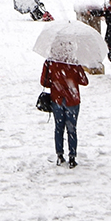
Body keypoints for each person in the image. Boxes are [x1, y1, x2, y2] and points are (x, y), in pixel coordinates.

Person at [40, 36, 89, 167]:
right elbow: (84, 81)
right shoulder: (73, 62)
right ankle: (72, 157)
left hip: (57, 99)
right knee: (72, 129)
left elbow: (43, 82)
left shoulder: (50, 62)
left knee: (58, 128)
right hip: (72, 100)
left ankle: (59, 155)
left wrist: (56, 82)